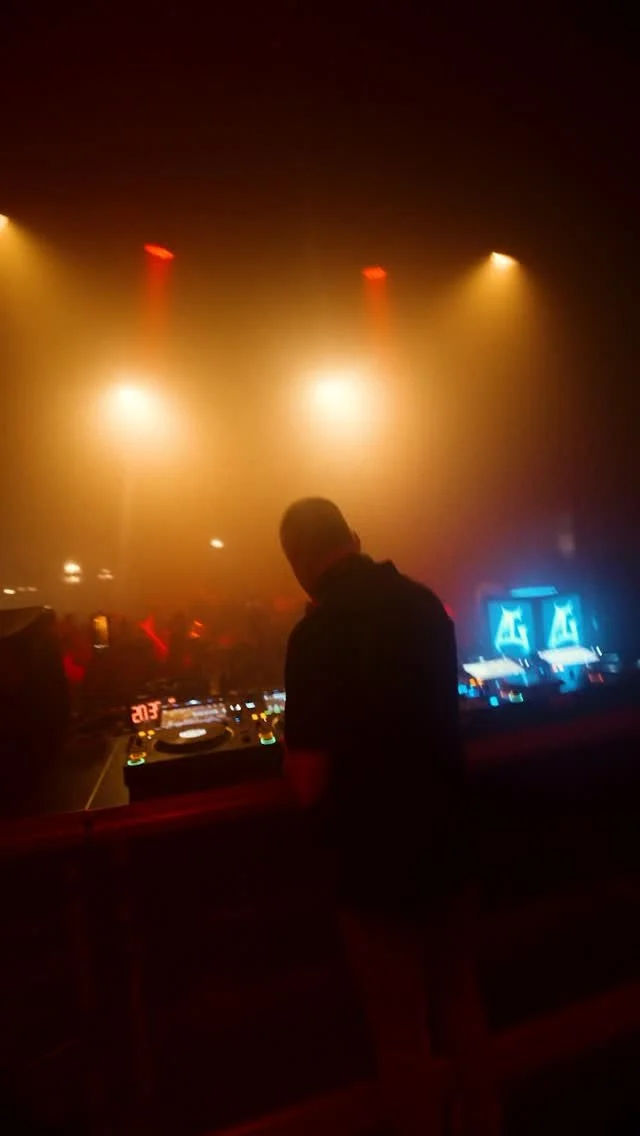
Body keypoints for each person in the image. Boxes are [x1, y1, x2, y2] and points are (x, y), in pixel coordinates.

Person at [280, 497, 501, 1136]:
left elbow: (307, 783)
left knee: (403, 1038)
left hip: (375, 870)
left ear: (298, 563)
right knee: (462, 1004)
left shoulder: (314, 637)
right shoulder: (426, 605)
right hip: (450, 844)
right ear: (353, 537)